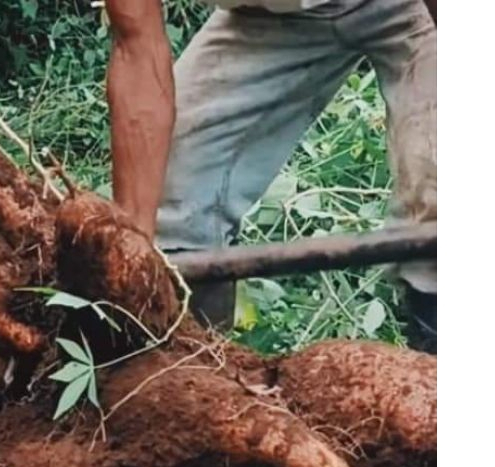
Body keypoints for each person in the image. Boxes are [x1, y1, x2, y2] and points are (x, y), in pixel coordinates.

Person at [104, 0, 437, 354]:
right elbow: (136, 47)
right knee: (172, 195)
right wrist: (136, 241)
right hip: (274, 16)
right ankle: (200, 371)